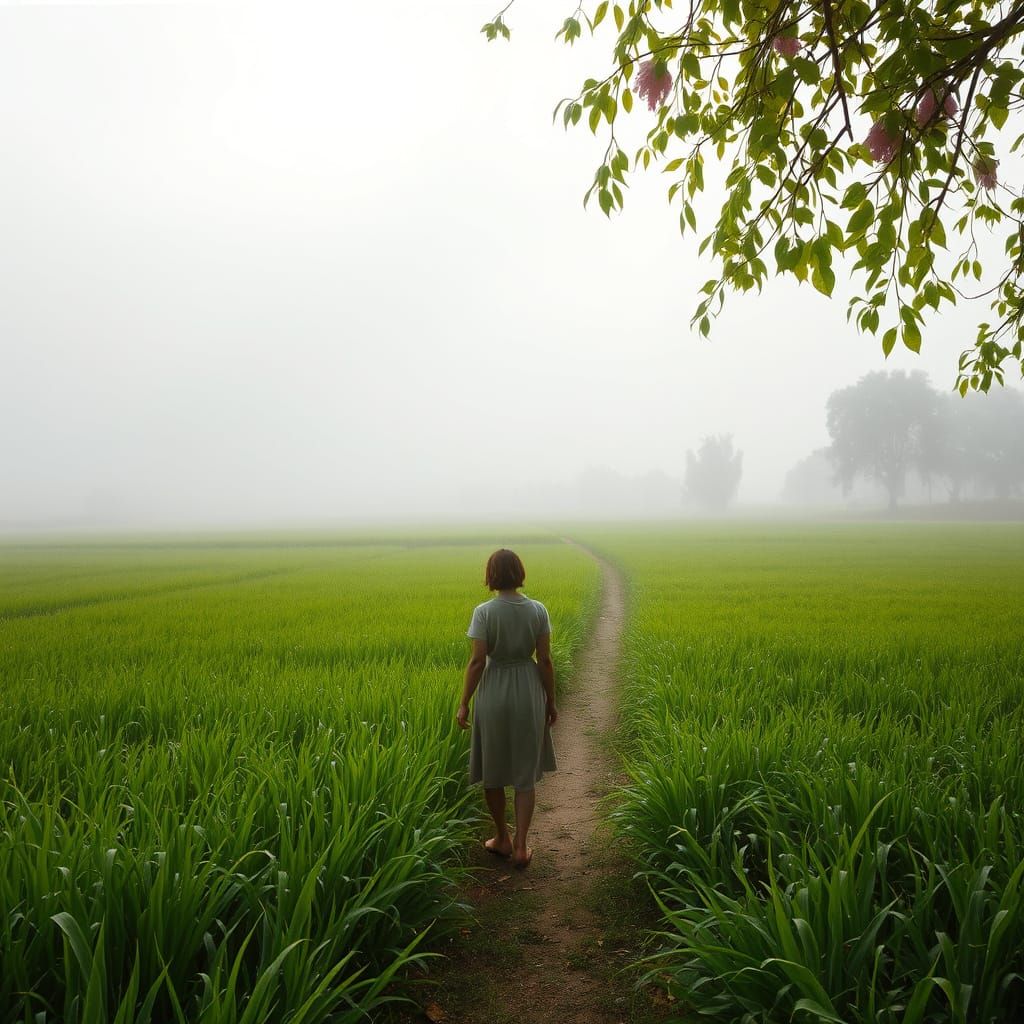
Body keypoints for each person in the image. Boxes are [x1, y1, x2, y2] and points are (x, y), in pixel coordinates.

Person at [456, 548, 557, 869]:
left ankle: (502, 837)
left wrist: (464, 703)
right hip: (528, 689)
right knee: (525, 772)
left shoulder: (484, 612)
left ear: (491, 575)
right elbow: (545, 660)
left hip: (494, 690)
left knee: (494, 769)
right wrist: (551, 701)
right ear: (519, 572)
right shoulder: (538, 610)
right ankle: (522, 846)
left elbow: (476, 662)